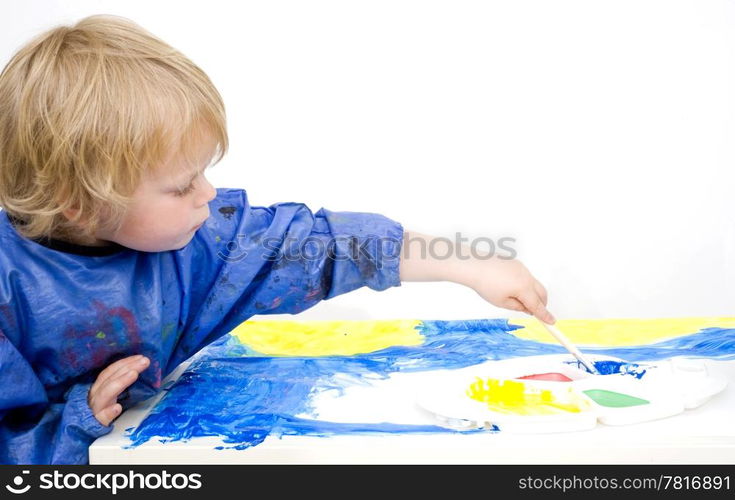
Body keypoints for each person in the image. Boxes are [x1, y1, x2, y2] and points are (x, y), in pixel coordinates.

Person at [0, 15, 553, 464]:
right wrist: (76, 421)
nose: (208, 194)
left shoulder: (203, 241)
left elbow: (323, 245)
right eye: (180, 185)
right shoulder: (9, 285)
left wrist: (471, 264)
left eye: (204, 172)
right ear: (79, 201)